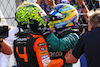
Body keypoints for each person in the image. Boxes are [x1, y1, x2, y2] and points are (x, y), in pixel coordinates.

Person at [5, 2, 67, 67]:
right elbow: (46, 64)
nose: (43, 18)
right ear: (31, 19)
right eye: (40, 15)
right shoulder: (37, 40)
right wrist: (64, 60)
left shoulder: (17, 38)